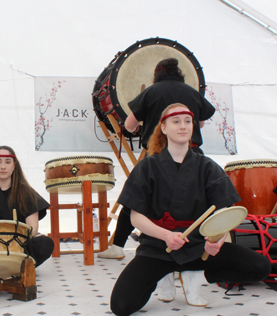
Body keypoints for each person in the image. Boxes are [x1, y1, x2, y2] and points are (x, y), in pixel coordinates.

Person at [109, 104, 271, 316]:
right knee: (121, 306)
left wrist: (217, 241)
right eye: (176, 121)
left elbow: (223, 215)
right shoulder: (147, 167)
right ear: (164, 128)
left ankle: (198, 276)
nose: (183, 126)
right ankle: (162, 276)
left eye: (187, 121)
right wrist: (166, 236)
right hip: (159, 248)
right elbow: (136, 218)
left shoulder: (208, 166)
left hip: (199, 246)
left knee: (260, 267)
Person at [99, 58, 216, 260]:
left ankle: (118, 246)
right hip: (193, 156)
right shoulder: (191, 92)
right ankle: (203, 247)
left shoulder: (150, 92)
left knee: (135, 198)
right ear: (179, 73)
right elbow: (202, 124)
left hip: (159, 156)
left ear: (156, 75)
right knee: (203, 199)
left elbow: (128, 125)